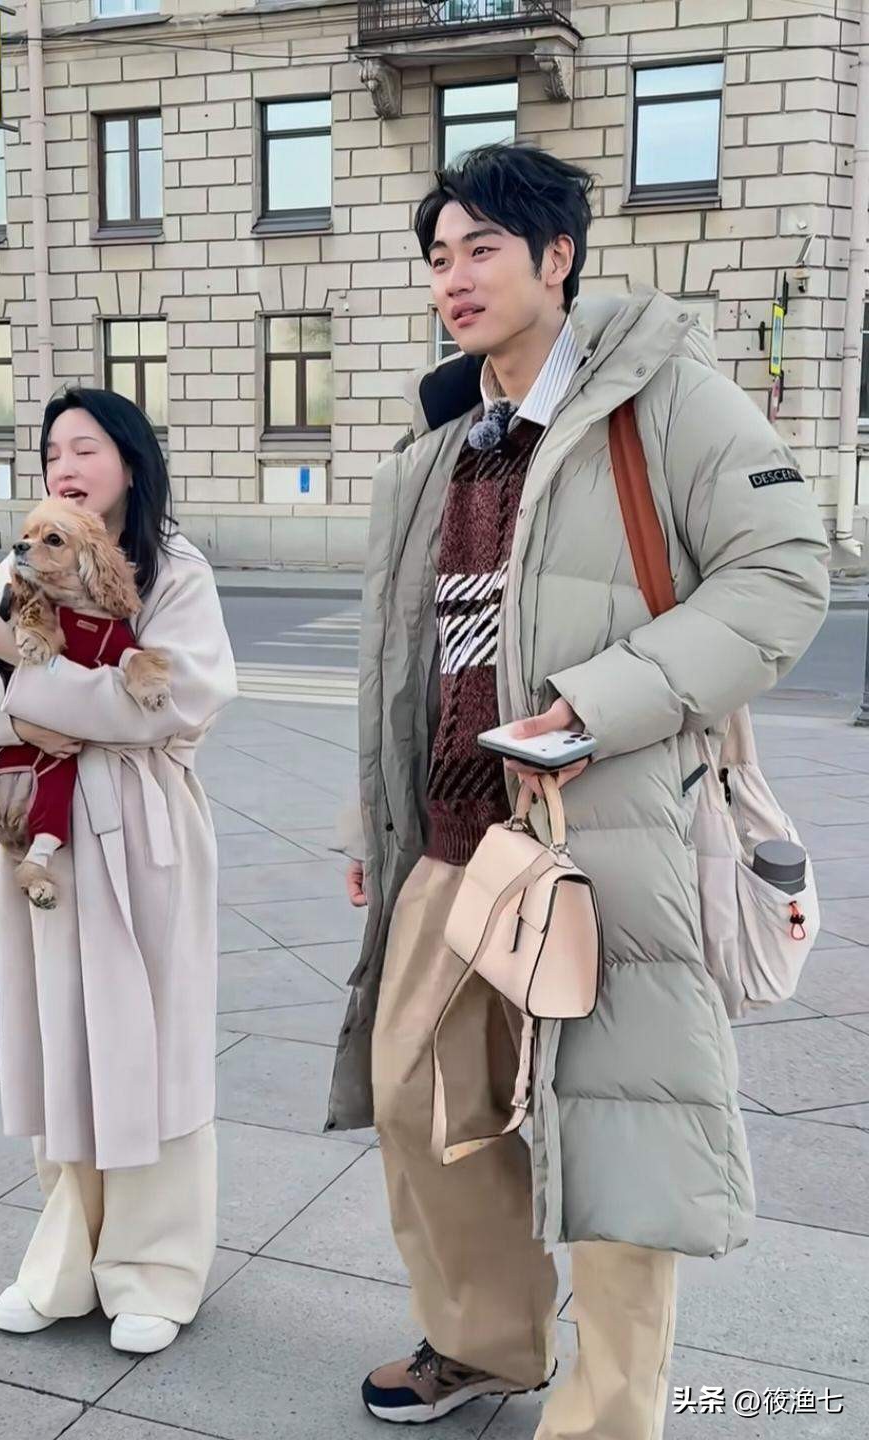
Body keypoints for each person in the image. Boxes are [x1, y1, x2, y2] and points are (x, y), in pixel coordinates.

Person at [330, 145, 830, 1437]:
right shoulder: (442, 444)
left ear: (557, 257)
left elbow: (784, 572)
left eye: (482, 249)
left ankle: (608, 1414)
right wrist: (373, 818)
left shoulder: (664, 400)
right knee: (417, 1102)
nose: (453, 278)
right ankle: (485, 1342)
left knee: (616, 1136)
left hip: (605, 838)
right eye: (438, 256)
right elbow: (410, 658)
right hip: (453, 843)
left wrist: (600, 701)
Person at [0, 388, 237, 1354]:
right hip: (36, 826)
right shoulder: (19, 561)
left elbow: (171, 699)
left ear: (131, 462)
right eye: (55, 450)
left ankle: (156, 1265)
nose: (66, 465)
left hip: (139, 823)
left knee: (149, 1038)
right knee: (58, 1035)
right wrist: (20, 710)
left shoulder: (176, 570)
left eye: (88, 447)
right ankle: (64, 1260)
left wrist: (25, 683)